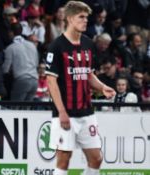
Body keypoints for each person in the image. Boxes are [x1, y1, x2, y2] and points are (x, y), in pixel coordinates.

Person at [45, 1, 116, 174]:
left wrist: (102, 87)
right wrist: (61, 111)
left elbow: (88, 75)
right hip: (66, 113)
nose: (85, 21)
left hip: (86, 112)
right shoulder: (56, 46)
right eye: (81, 17)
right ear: (69, 18)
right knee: (63, 160)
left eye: (86, 17)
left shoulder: (88, 44)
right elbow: (50, 82)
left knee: (96, 158)